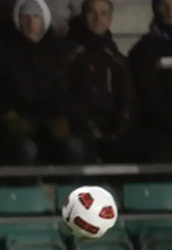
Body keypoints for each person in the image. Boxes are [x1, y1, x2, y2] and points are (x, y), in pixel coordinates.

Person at [0, 0, 82, 165]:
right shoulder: (0, 53)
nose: (31, 24)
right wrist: (7, 117)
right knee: (26, 150)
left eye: (36, 17)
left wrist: (61, 118)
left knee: (73, 147)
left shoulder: (58, 54)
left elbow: (66, 94)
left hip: (48, 129)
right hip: (10, 132)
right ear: (18, 19)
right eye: (26, 17)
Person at [65, 0, 140, 163]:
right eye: (92, 13)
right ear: (84, 15)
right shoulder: (69, 54)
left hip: (112, 134)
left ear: (110, 19)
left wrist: (116, 133)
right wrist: (91, 130)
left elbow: (128, 99)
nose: (98, 19)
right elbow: (66, 98)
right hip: (80, 131)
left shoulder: (116, 58)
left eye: (104, 14)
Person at [128, 0, 172, 161]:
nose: (170, 9)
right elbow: (148, 97)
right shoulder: (144, 49)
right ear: (155, 8)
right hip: (161, 128)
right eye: (164, 4)